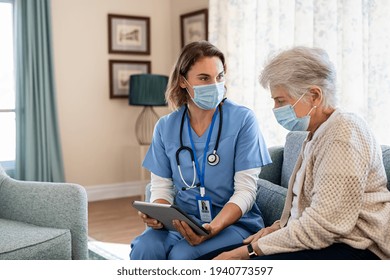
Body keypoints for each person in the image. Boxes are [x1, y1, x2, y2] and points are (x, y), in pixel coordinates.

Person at [214, 46, 390, 260]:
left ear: (315, 95)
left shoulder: (343, 135)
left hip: (357, 248)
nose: (275, 109)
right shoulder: (316, 133)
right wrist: (277, 228)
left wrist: (250, 251)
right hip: (323, 240)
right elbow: (304, 207)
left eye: (281, 101)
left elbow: (322, 227)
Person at [130, 41, 272, 260]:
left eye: (220, 77)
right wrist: (157, 214)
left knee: (182, 255)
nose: (215, 85)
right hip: (182, 222)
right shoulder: (166, 127)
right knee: (145, 249)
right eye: (204, 78)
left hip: (231, 224)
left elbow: (246, 191)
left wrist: (211, 229)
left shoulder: (243, 120)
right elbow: (161, 188)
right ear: (183, 81)